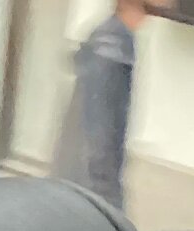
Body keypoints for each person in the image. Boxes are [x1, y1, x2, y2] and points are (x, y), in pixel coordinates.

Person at [57, 0, 144, 213]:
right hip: (90, 196)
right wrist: (110, 210)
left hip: (84, 193)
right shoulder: (111, 48)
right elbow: (99, 139)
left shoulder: (117, 42)